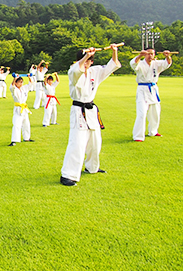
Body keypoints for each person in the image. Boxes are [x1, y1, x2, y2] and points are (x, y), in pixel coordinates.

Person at [60, 44, 121, 186]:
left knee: (95, 142)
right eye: (85, 60)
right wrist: (86, 55)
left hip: (91, 110)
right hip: (78, 110)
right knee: (77, 143)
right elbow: (77, 69)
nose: (87, 63)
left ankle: (92, 167)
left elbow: (111, 66)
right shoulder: (73, 71)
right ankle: (68, 174)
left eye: (90, 60)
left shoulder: (95, 72)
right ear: (79, 61)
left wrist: (114, 51)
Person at [130, 49, 173, 141]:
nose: (150, 56)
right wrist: (139, 56)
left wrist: (167, 56)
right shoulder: (140, 63)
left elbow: (167, 63)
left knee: (155, 112)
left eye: (152, 54)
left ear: (154, 55)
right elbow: (133, 64)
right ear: (145, 55)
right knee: (141, 113)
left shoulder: (156, 63)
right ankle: (138, 136)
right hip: (142, 89)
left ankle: (153, 131)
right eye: (148, 54)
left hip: (153, 89)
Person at [8, 75, 33, 146]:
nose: (21, 84)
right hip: (18, 108)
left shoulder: (24, 88)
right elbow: (11, 87)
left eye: (22, 82)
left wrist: (29, 77)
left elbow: (31, 84)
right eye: (19, 82)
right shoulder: (14, 89)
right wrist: (15, 78)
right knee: (16, 124)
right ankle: (14, 140)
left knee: (26, 124)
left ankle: (27, 138)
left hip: (24, 108)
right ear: (16, 83)